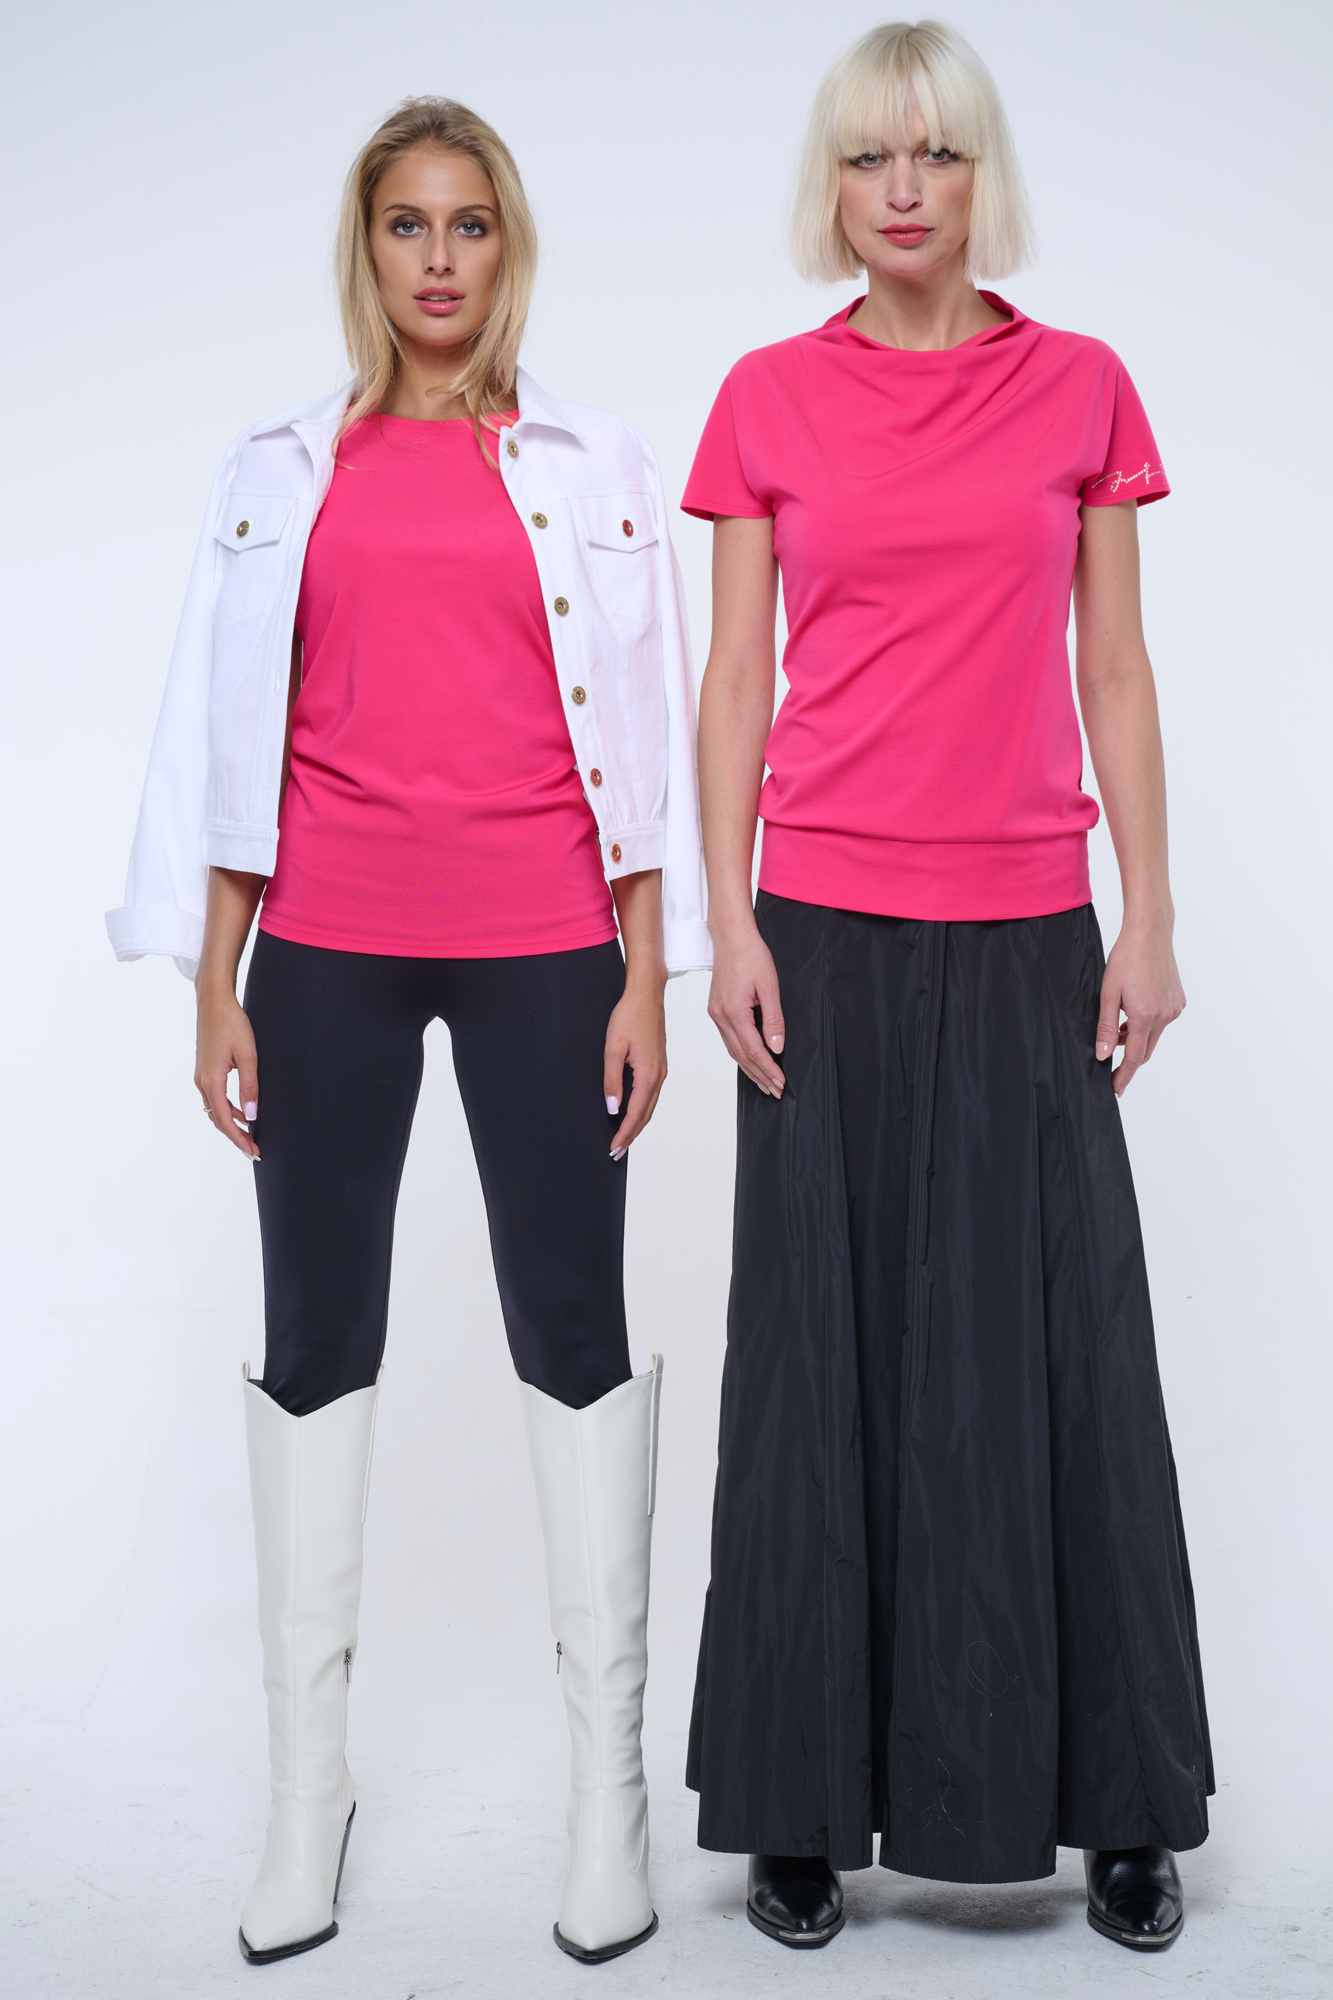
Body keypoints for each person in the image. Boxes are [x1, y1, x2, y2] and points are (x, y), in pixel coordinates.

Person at [106, 96, 709, 1968]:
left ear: (505, 245)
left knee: (575, 1336)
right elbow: (230, 736)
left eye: (467, 224)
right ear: (364, 250)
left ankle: (605, 1799)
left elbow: (650, 735)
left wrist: (648, 971)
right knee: (312, 1343)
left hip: (547, 945)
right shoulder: (281, 468)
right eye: (404, 226)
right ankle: (311, 1798)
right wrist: (214, 978)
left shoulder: (592, 462)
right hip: (327, 949)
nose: (437, 259)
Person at [684, 20, 1211, 1956]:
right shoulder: (763, 399)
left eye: (934, 154)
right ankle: (798, 1805)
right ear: (829, 188)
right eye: (865, 158)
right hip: (818, 931)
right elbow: (736, 679)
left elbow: (1114, 669)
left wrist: (1146, 918)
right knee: (814, 1363)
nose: (900, 190)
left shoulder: (1079, 386)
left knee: (1060, 1357)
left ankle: (1120, 1806)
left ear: (982, 176)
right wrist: (726, 922)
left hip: (1021, 930)